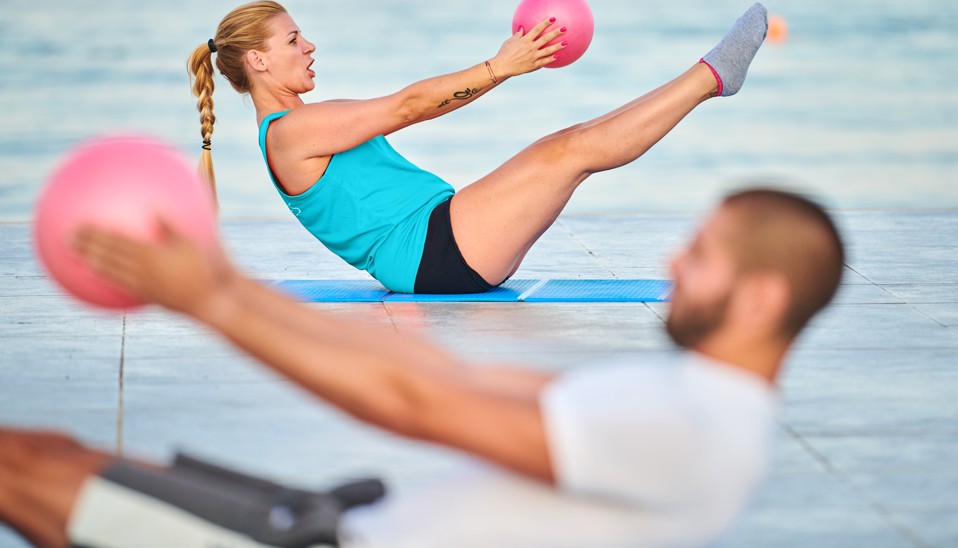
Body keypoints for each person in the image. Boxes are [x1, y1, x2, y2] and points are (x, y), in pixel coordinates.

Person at [0, 187, 844, 548]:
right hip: (329, 523)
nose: (671, 262)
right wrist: (227, 284)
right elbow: (436, 372)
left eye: (697, 255)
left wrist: (210, 307)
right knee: (39, 456)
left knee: (24, 471)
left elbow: (408, 404)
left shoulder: (693, 428)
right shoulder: (683, 397)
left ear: (762, 296)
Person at [189, 0, 769, 294]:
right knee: (566, 153)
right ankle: (710, 78)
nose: (309, 45)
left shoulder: (306, 123)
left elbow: (416, 105)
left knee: (566, 146)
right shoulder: (290, 135)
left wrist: (501, 72)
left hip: (440, 239)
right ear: (258, 60)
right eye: (294, 39)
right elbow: (408, 105)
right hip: (433, 254)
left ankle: (708, 77)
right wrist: (500, 67)